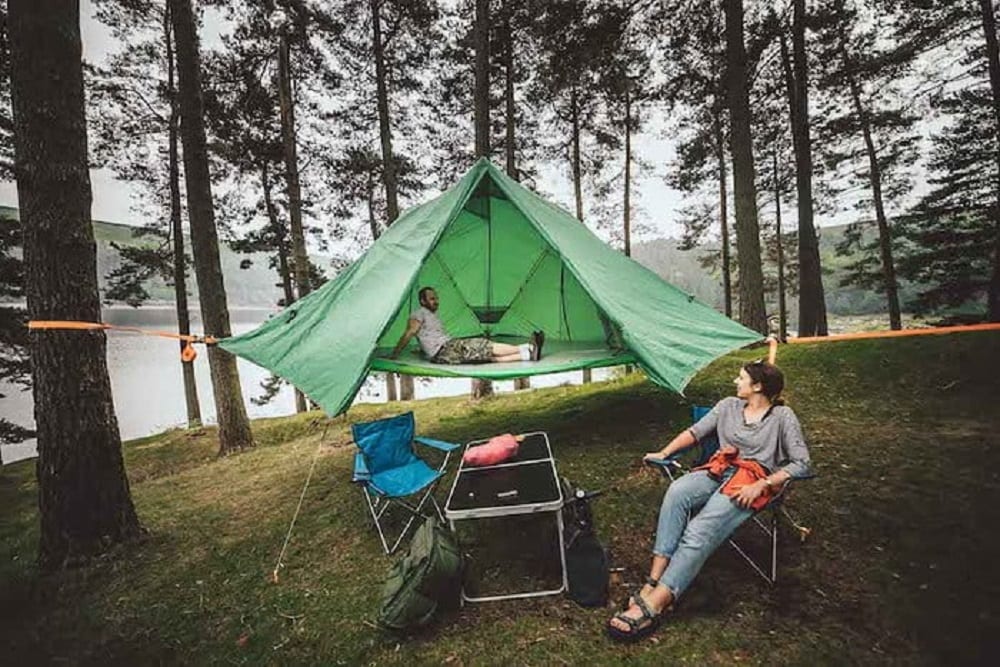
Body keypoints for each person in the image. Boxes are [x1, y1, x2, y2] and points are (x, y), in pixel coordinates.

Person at [607, 360, 812, 642]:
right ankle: (653, 580)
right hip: (720, 468)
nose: (734, 381)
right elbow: (695, 433)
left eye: (740, 378)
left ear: (757, 386)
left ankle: (658, 602)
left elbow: (802, 463)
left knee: (699, 530)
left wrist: (762, 484)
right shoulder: (728, 405)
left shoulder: (782, 416)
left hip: (753, 480)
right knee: (677, 492)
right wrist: (663, 452)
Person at [389, 286, 544, 364]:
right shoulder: (419, 313)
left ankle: (527, 355)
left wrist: (421, 350)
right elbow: (410, 333)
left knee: (485, 357)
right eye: (431, 298)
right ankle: (527, 347)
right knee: (483, 345)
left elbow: (425, 336)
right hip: (445, 349)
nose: (436, 301)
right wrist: (394, 355)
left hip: (444, 351)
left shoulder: (431, 315)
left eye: (436, 298)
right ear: (422, 301)